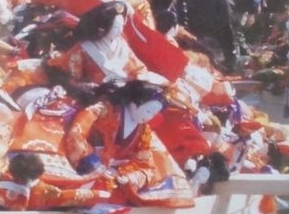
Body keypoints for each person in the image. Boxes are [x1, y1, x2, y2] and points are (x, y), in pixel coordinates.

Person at [63, 80, 194, 207]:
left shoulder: (143, 130)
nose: (149, 117)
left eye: (154, 114)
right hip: (87, 165)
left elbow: (146, 163)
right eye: (148, 111)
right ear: (134, 102)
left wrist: (130, 177)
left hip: (113, 174)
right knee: (87, 190)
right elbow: (77, 132)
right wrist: (92, 162)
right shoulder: (104, 110)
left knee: (115, 193)